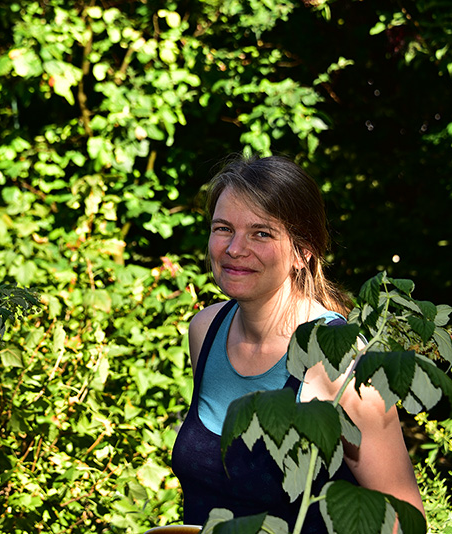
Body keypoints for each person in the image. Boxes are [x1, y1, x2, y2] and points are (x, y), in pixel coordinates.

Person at [171, 155, 424, 532]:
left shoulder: (342, 362)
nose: (235, 248)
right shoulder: (205, 330)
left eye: (261, 233)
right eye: (223, 228)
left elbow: (404, 521)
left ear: (303, 251)